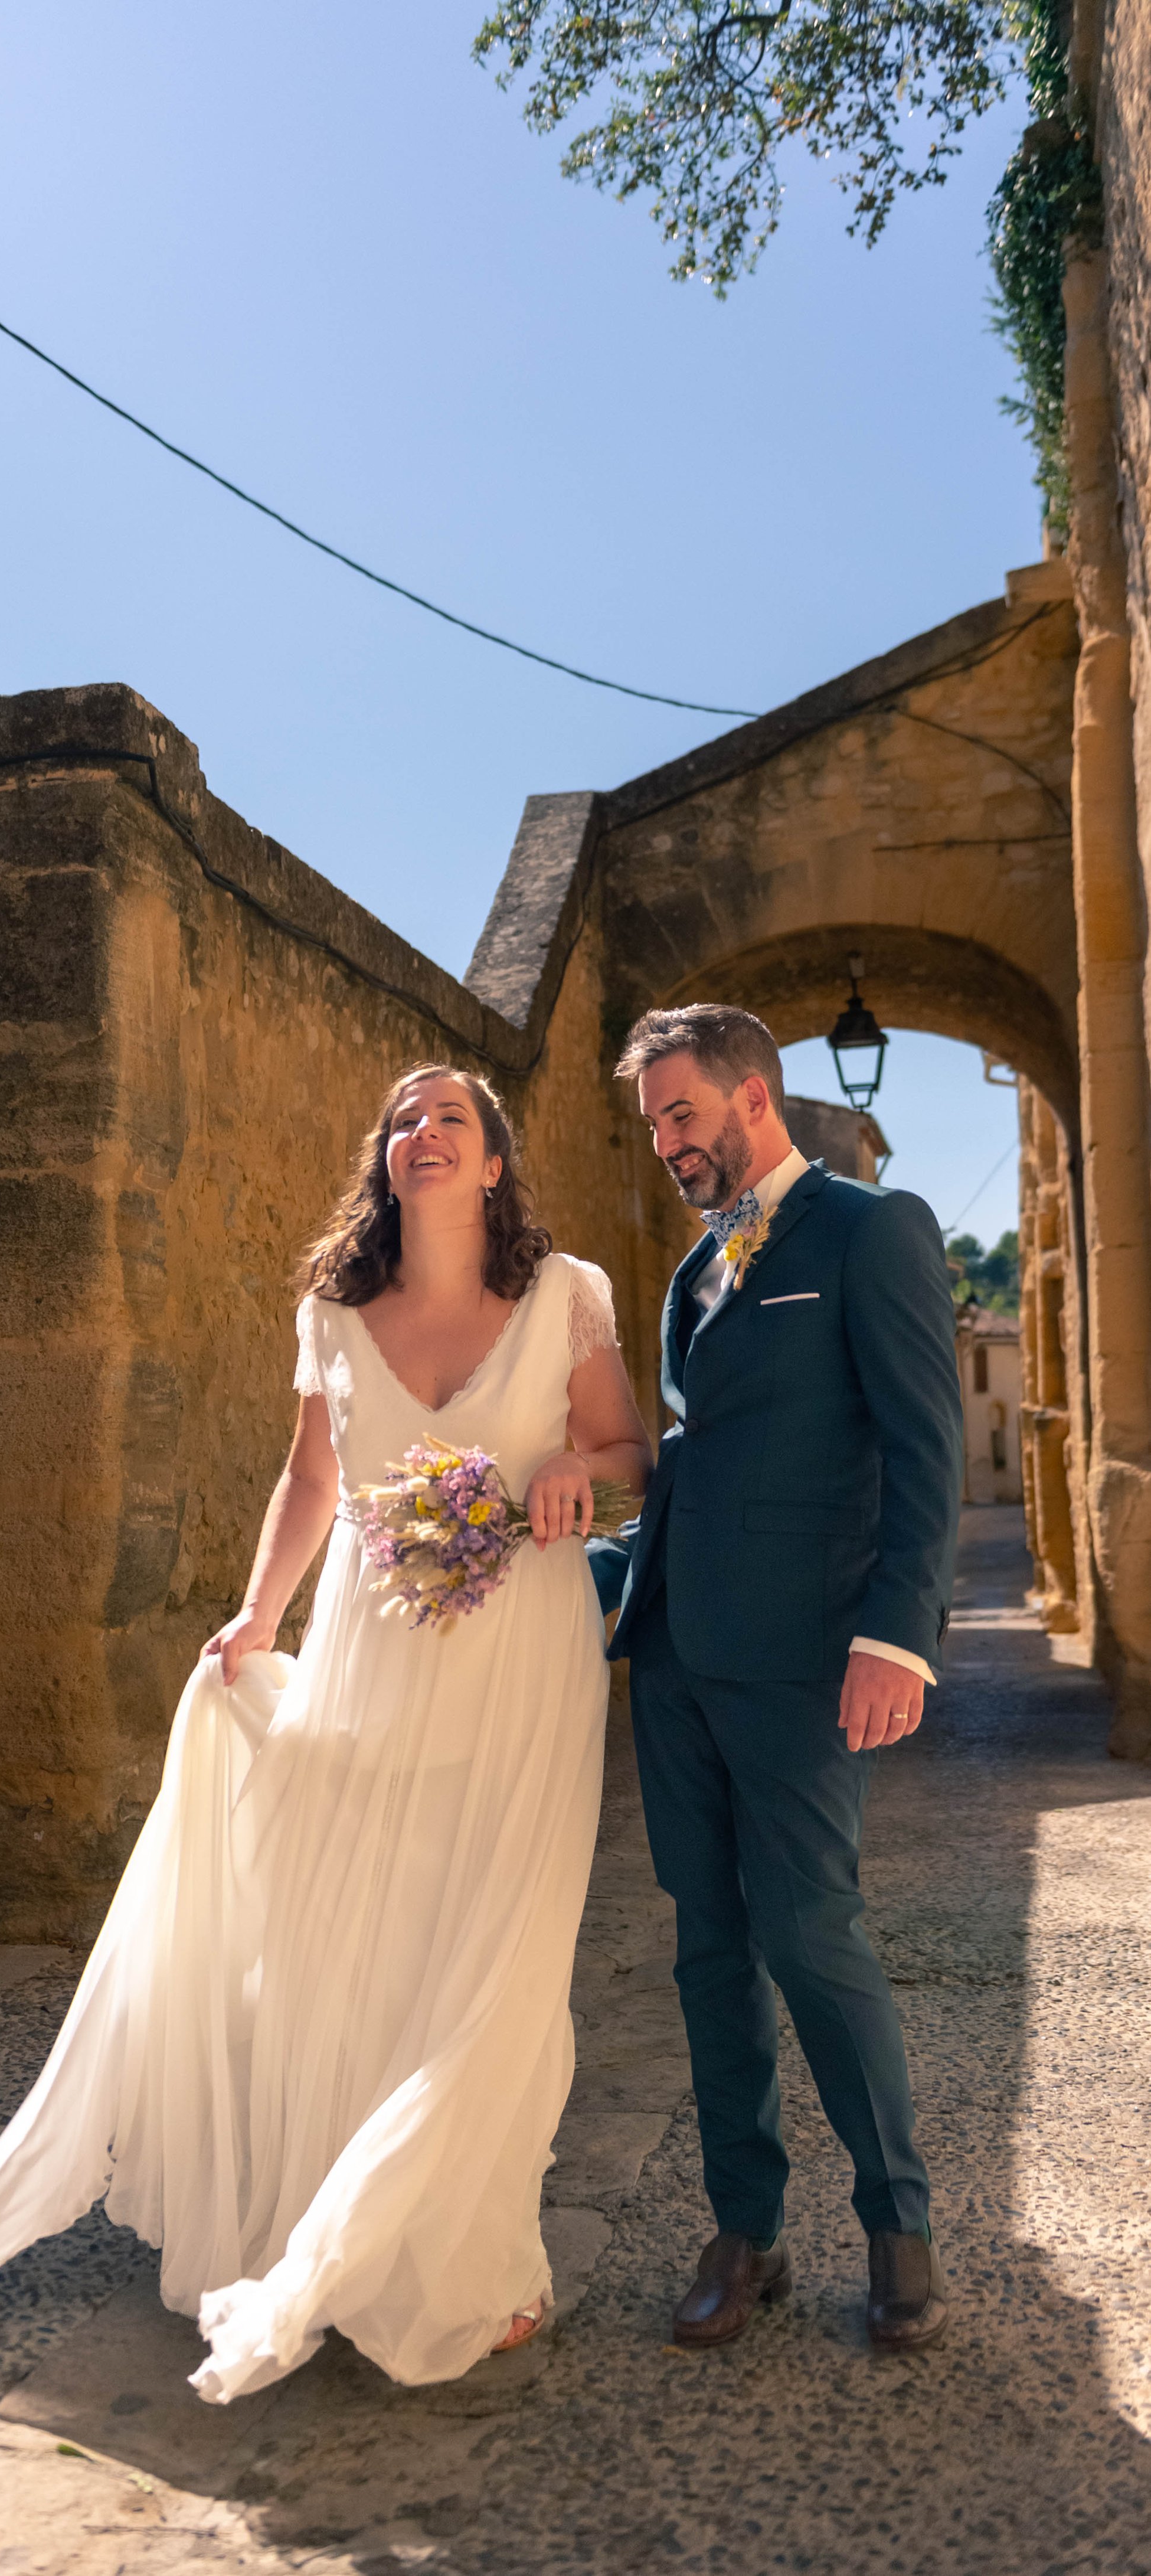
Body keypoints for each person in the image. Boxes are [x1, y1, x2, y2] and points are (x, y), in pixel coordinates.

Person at [0, 1063, 650, 2398]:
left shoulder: (567, 1297)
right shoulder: (331, 1311)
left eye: (451, 1118)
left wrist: (568, 1470)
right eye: (399, 1119)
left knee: (497, 1952)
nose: (421, 1132)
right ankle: (343, 2240)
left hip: (521, 1663)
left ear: (493, 1164)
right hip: (372, 1648)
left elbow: (627, 1452)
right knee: (372, 1944)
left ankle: (467, 2258)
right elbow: (314, 1476)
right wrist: (256, 1617)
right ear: (384, 1162)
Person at [590, 1003, 962, 2353]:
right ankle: (744, 2228)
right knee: (707, 1948)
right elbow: (696, 1468)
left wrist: (898, 1634)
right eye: (653, 1129)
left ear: (753, 1097)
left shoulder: (872, 1231)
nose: (667, 1146)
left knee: (810, 1931)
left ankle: (896, 2225)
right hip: (677, 1661)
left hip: (806, 1661)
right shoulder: (696, 1273)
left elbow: (925, 1449)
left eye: (680, 1115)